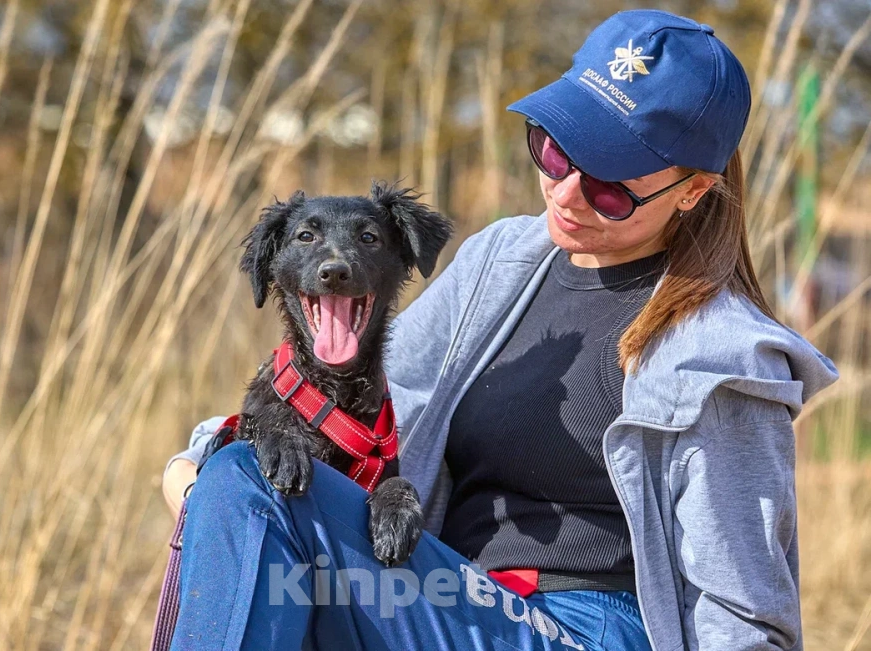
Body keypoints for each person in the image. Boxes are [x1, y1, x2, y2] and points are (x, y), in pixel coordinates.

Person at [160, 9, 838, 650]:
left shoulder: (720, 356)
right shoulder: (501, 264)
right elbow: (348, 401)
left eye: (609, 187)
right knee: (247, 478)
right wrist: (205, 462)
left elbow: (744, 613)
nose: (567, 192)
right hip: (447, 591)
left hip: (582, 626)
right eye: (555, 151)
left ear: (693, 190)